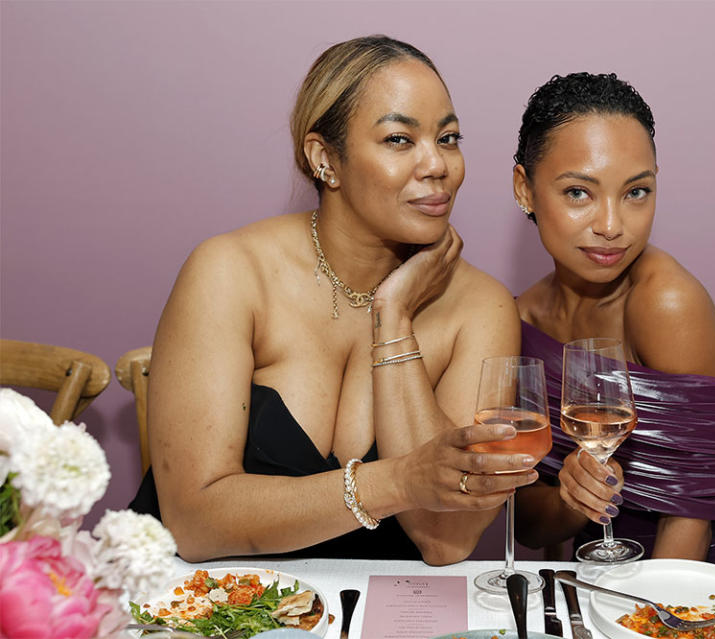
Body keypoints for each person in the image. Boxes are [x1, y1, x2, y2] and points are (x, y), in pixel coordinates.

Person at [130, 35, 538, 564]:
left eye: (449, 137)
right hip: (208, 608)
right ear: (325, 158)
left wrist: (393, 320)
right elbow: (193, 522)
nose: (437, 164)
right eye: (399, 139)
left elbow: (446, 539)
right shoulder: (231, 272)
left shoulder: (481, 306)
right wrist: (397, 480)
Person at [511, 72, 715, 565]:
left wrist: (653, 617)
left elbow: (693, 511)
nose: (612, 225)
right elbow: (533, 531)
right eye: (579, 192)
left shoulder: (663, 302)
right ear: (524, 189)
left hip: (707, 582)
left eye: (636, 192)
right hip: (600, 577)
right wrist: (572, 497)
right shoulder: (523, 317)